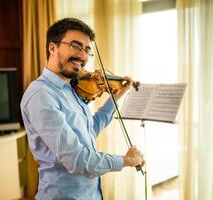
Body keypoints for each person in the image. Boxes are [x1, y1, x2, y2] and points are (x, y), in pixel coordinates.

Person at [20, 17, 145, 200]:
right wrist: (125, 160)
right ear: (52, 48)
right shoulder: (41, 95)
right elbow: (78, 160)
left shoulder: (71, 89)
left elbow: (89, 129)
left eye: (87, 50)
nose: (83, 56)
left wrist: (116, 97)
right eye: (76, 46)